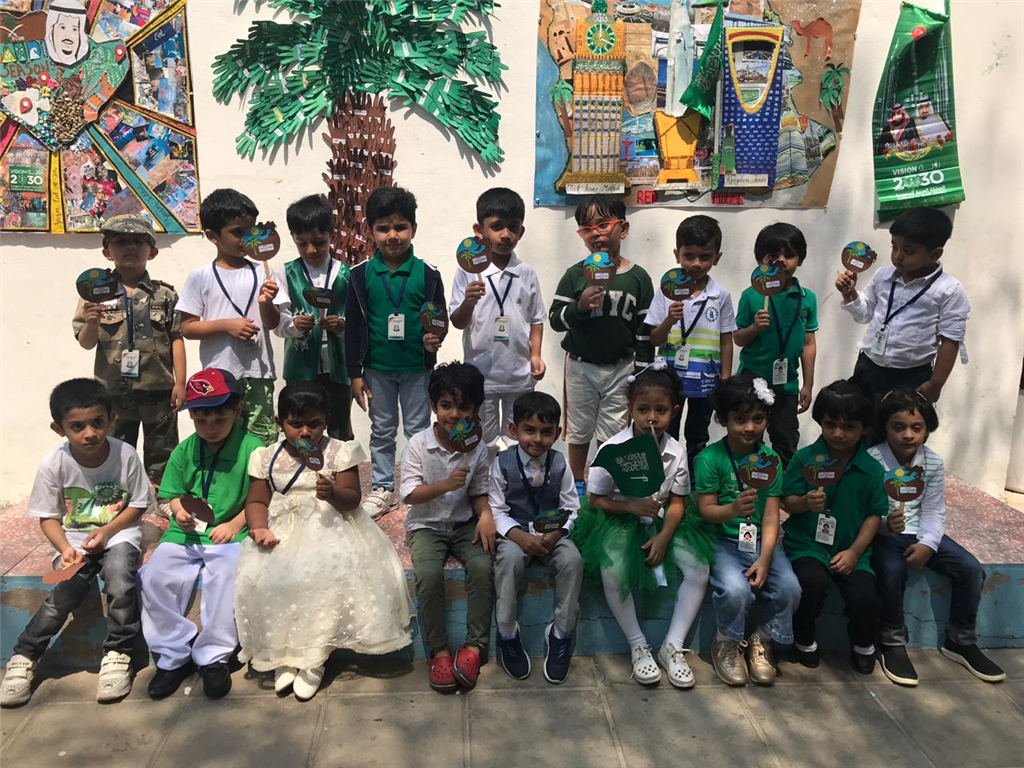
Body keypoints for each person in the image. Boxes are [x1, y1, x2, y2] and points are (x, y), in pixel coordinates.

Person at [235, 382, 413, 701]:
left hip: (330, 524)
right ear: (279, 422)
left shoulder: (339, 451)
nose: (306, 432)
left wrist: (332, 493)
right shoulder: (266, 456)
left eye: (314, 423)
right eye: (296, 424)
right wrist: (259, 527)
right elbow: (257, 500)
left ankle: (314, 655)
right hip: (283, 527)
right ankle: (283, 653)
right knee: (270, 580)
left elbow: (353, 497)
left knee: (321, 578)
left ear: (326, 421)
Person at [0, 379, 150, 707]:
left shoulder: (125, 455)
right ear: (59, 428)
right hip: (74, 542)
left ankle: (118, 652)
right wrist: (65, 548)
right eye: (77, 426)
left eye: (98, 422)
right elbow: (48, 518)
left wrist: (107, 531)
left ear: (111, 419)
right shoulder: (53, 464)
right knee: (66, 591)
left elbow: (138, 505)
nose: (90, 433)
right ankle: (25, 656)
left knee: (120, 579)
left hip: (119, 534)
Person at [576, 361, 716, 688]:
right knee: (613, 569)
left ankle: (673, 645)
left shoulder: (677, 451)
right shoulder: (613, 448)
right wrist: (630, 506)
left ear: (674, 411)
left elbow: (678, 501)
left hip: (663, 518)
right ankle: (638, 644)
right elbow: (596, 500)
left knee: (699, 568)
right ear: (630, 409)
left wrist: (665, 536)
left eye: (661, 410)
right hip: (618, 517)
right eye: (642, 409)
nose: (651, 417)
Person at [141, 369, 263, 700]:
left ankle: (214, 656)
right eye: (200, 418)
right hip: (185, 534)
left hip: (230, 534)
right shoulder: (184, 450)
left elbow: (262, 497)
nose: (210, 426)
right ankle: (172, 656)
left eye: (220, 417)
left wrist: (236, 524)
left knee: (224, 578)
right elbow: (171, 495)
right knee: (154, 576)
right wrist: (178, 511)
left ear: (237, 410)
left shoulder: (253, 448)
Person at [869, 389, 1005, 686]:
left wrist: (928, 544)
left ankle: (960, 639)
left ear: (927, 429)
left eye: (916, 427)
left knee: (970, 568)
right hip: (884, 534)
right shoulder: (872, 460)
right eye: (898, 427)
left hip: (922, 532)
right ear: (884, 427)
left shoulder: (931, 463)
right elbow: (865, 508)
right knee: (892, 570)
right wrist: (884, 524)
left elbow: (933, 509)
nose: (908, 435)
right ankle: (891, 640)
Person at [347, 187, 446, 519]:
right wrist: (355, 373)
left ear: (413, 229)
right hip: (376, 369)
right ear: (371, 230)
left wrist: (435, 338)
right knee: (382, 430)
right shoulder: (360, 275)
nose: (393, 236)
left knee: (418, 431)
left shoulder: (428, 274)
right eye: (384, 228)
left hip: (417, 369)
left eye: (401, 227)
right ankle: (383, 487)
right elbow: (353, 328)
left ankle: (418, 486)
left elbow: (439, 319)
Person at [695, 373, 801, 687]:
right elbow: (706, 511)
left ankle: (762, 639)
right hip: (722, 540)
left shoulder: (770, 460)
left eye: (758, 419)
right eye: (740, 420)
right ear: (723, 419)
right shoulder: (710, 458)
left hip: (761, 542)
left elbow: (770, 515)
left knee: (790, 588)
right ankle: (726, 641)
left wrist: (766, 558)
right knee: (735, 589)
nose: (750, 428)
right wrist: (732, 510)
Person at [548, 194, 655, 496]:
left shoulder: (638, 278)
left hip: (622, 368)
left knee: (613, 432)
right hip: (580, 365)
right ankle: (577, 486)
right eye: (587, 229)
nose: (596, 234)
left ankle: (603, 485)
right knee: (578, 430)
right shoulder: (575, 275)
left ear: (624, 229)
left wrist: (643, 372)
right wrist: (579, 307)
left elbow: (644, 329)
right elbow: (555, 320)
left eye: (604, 225)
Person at [399, 363, 495, 692]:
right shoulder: (418, 445)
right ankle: (438, 650)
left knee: (483, 566)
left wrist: (486, 516)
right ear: (433, 406)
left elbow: (479, 491)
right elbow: (409, 494)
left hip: (464, 522)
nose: (454, 414)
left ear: (476, 409)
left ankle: (474, 647)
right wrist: (445, 484)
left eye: (464, 407)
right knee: (428, 575)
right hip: (426, 525)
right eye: (446, 405)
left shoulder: (477, 448)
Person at [781, 380, 886, 674]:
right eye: (830, 424)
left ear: (864, 428)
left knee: (865, 597)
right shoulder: (805, 458)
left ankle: (863, 645)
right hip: (807, 544)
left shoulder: (872, 469)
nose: (838, 433)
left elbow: (874, 515)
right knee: (812, 584)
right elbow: (787, 501)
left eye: (848, 427)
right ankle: (804, 638)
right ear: (820, 421)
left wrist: (854, 552)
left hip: (851, 548)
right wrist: (805, 502)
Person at [73, 214, 185, 485]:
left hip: (159, 388)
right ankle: (118, 496)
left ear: (153, 251)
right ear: (106, 251)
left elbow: (177, 338)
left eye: (139, 241)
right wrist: (91, 322)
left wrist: (181, 382)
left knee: (163, 451)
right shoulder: (94, 294)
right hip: (113, 391)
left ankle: (162, 495)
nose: (130, 247)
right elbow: (86, 342)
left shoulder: (165, 295)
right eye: (121, 241)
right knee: (115, 452)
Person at [176, 188, 290, 447]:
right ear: (212, 236)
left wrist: (266, 304)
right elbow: (188, 328)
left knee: (260, 438)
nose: (246, 240)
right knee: (222, 437)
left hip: (259, 372)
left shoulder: (265, 273)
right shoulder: (200, 277)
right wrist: (226, 326)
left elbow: (272, 324)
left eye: (250, 232)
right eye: (238, 232)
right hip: (218, 374)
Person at [489, 392, 581, 684]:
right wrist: (518, 536)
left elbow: (571, 507)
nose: (538, 439)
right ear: (513, 429)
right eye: (529, 430)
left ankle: (561, 634)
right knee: (508, 560)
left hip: (552, 533)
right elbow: (496, 509)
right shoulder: (501, 463)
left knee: (572, 561)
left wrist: (556, 534)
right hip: (515, 532)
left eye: (546, 432)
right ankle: (507, 633)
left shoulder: (560, 462)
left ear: (558, 432)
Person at [450, 188, 546, 457]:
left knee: (519, 438)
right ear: (479, 230)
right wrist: (468, 301)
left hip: (519, 373)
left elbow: (537, 318)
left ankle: (514, 479)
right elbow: (457, 321)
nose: (505, 234)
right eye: (496, 226)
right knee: (484, 439)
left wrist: (536, 355)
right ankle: (486, 481)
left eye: (513, 227)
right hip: (481, 375)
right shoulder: (467, 271)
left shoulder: (526, 273)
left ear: (521, 232)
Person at [836, 208, 968, 403]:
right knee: (861, 419)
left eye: (908, 251)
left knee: (901, 423)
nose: (898, 256)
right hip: (868, 366)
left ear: (935, 254)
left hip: (911, 376)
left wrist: (935, 383)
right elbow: (865, 315)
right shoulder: (883, 275)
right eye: (894, 247)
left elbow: (950, 340)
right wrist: (850, 293)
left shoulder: (949, 289)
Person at [646, 214, 736, 478]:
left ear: (717, 257)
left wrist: (725, 380)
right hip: (669, 380)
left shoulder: (721, 295)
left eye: (705, 257)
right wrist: (669, 320)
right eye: (689, 256)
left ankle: (695, 484)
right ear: (677, 255)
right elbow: (654, 339)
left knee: (698, 434)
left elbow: (726, 339)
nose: (696, 263)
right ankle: (664, 481)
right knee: (666, 430)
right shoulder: (665, 291)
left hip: (706, 381)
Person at [733, 223, 817, 466]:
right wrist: (754, 328)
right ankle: (747, 481)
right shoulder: (751, 295)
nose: (781, 261)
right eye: (772, 256)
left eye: (789, 255)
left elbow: (809, 343)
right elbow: (738, 338)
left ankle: (784, 485)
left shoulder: (806, 298)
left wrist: (808, 384)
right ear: (760, 260)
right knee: (748, 437)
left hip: (787, 383)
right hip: (751, 380)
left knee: (785, 439)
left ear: (800, 259)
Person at [275, 194, 353, 440]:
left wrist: (341, 327)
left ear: (332, 234)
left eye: (319, 242)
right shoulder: (286, 273)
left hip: (339, 367)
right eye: (302, 243)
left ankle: (340, 465)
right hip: (300, 367)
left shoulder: (348, 274)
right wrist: (295, 325)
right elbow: (278, 324)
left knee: (339, 427)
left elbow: (360, 325)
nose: (311, 249)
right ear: (293, 238)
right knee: (302, 427)